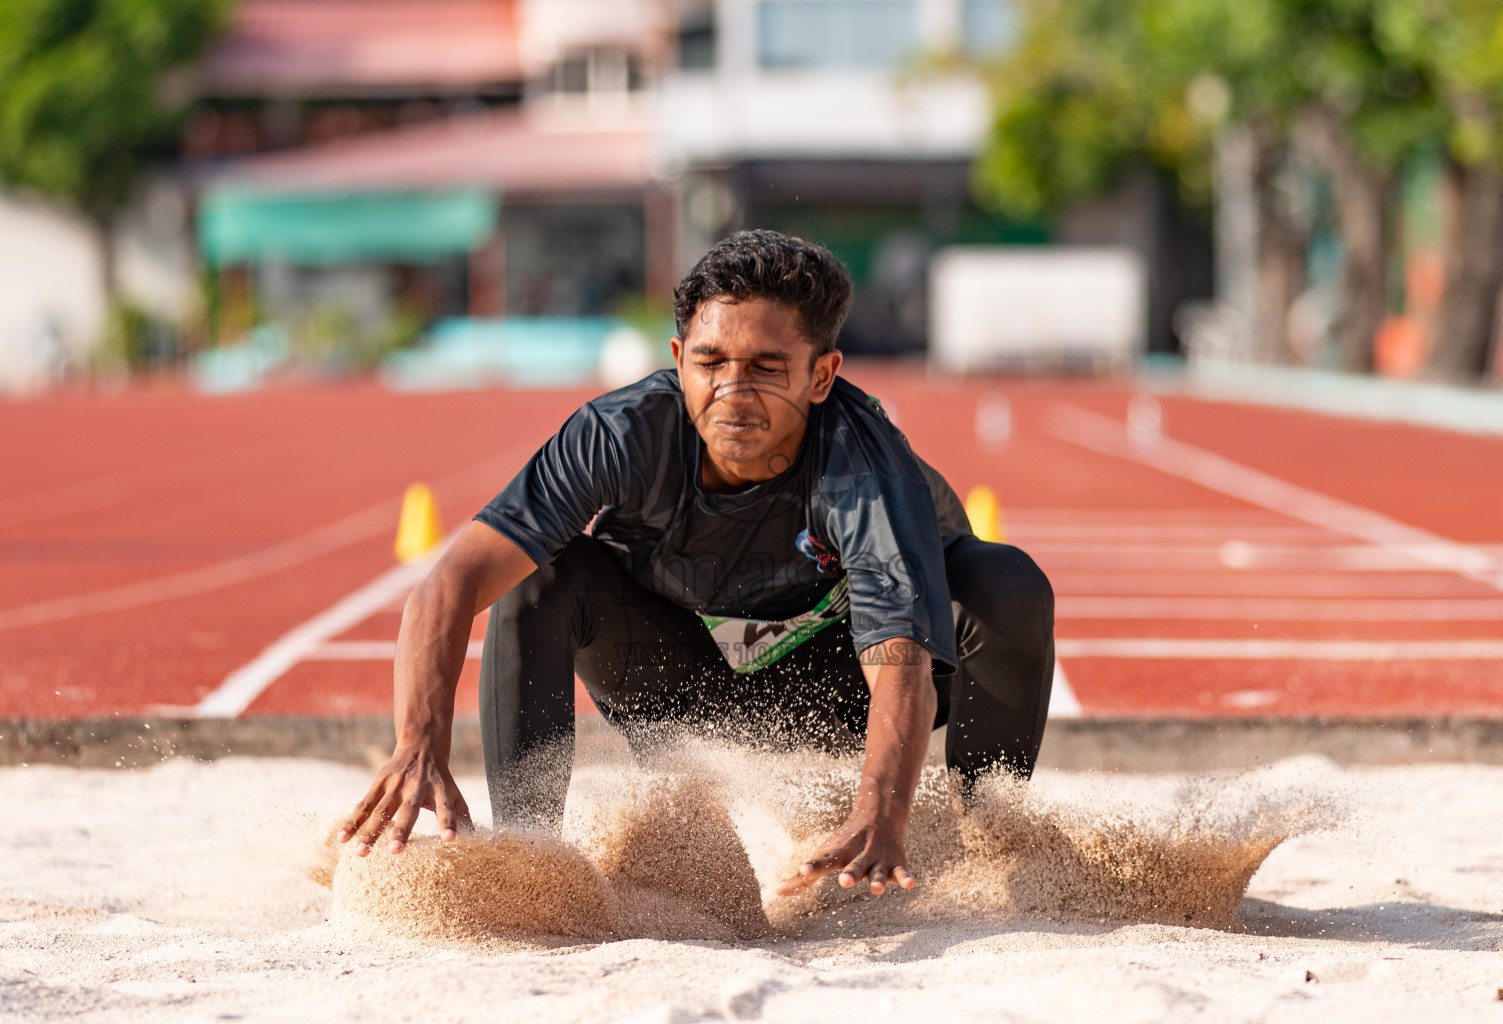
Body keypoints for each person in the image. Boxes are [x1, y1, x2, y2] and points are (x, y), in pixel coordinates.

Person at [339, 229, 1055, 897]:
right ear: (679, 361)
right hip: (679, 690)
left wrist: (882, 811)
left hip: (838, 699)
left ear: (821, 375)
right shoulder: (619, 435)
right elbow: (452, 580)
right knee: (546, 574)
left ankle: (988, 848)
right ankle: (529, 859)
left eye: (768, 369)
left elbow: (900, 660)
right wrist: (418, 741)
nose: (734, 393)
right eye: (712, 363)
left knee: (1005, 581)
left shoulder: (865, 466)